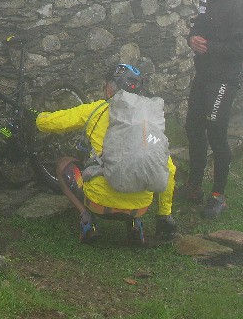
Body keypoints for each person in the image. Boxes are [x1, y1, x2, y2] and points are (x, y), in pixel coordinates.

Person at [36, 63, 177, 245]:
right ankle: (135, 222)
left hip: (99, 203)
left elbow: (53, 123)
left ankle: (87, 219)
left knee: (63, 164)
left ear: (110, 87)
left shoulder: (96, 110)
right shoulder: (148, 120)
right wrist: (164, 214)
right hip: (140, 206)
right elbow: (169, 169)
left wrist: (37, 118)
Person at [182, 0, 243, 219]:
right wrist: (192, 38)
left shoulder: (241, 5)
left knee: (215, 131)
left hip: (225, 79)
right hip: (204, 75)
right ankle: (194, 185)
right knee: (192, 128)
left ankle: (218, 194)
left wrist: (210, 47)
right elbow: (199, 25)